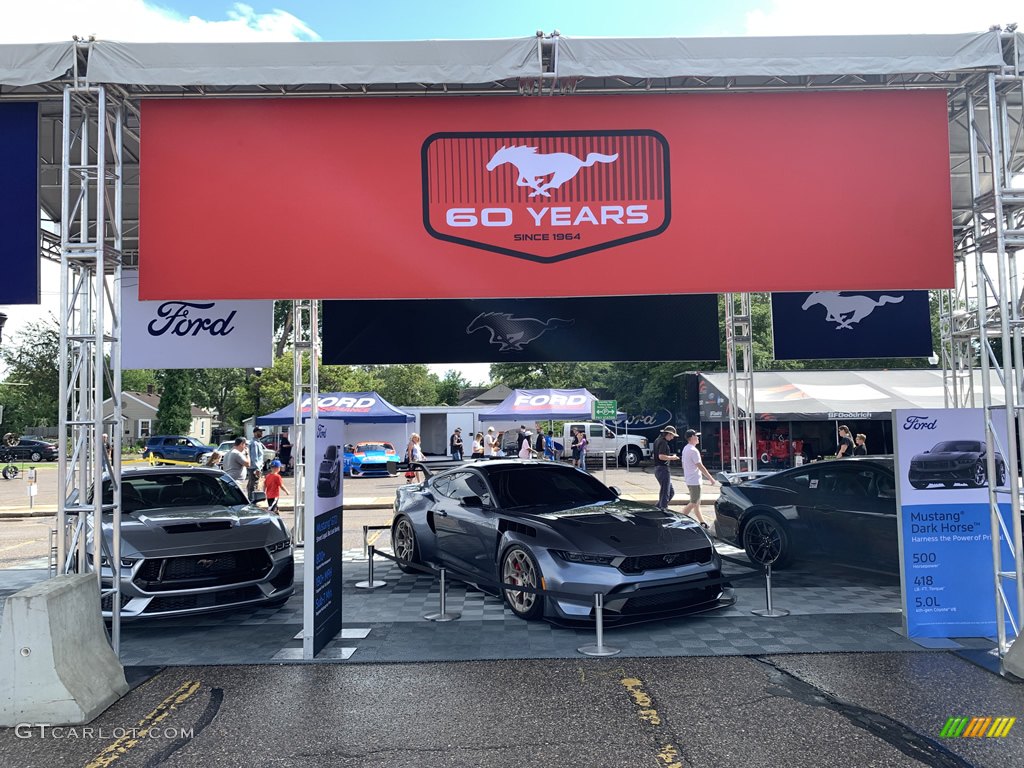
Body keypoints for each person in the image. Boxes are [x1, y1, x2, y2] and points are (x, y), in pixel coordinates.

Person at [680, 429, 715, 528]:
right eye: (696, 436)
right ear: (691, 438)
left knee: (697, 503)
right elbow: (700, 466)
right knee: (694, 502)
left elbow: (683, 465)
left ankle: (702, 522)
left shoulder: (685, 449)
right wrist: (710, 478)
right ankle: (681, 518)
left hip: (690, 479)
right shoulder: (693, 450)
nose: (698, 438)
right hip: (694, 480)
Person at [653, 426, 679, 510]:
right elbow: (661, 456)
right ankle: (663, 509)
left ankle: (656, 509)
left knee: (670, 492)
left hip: (658, 469)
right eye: (672, 436)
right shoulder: (663, 442)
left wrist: (670, 456)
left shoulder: (657, 440)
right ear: (668, 434)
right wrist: (672, 458)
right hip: (663, 469)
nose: (672, 438)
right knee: (665, 492)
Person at [247, 427, 266, 500]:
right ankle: (252, 501)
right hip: (255, 468)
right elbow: (254, 457)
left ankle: (251, 499)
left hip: (255, 467)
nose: (261, 433)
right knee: (254, 485)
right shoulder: (254, 443)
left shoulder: (258, 442)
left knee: (253, 484)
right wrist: (257, 469)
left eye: (261, 431)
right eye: (259, 432)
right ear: (254, 433)